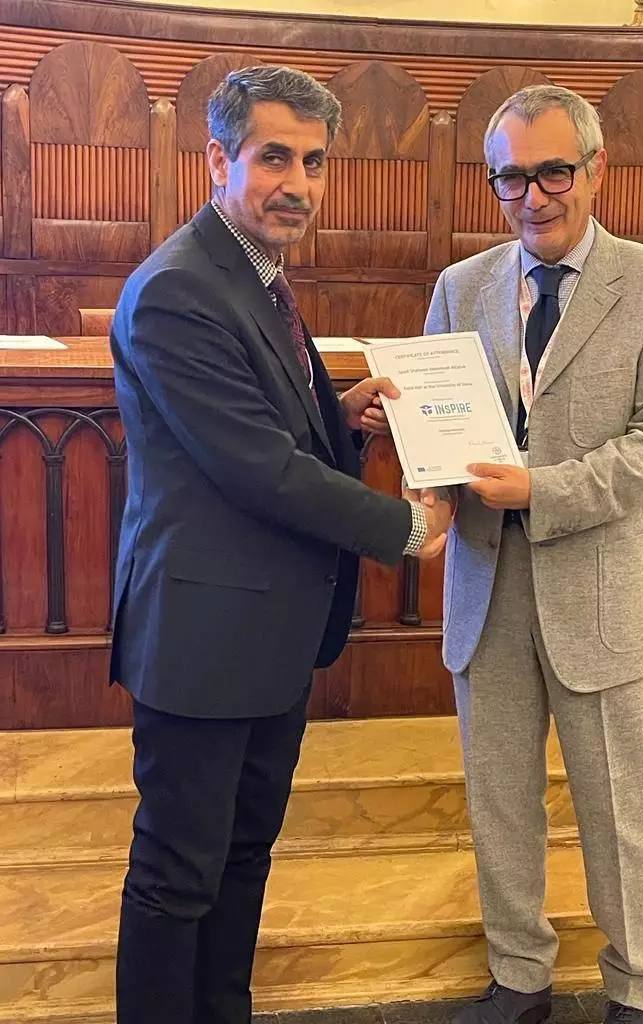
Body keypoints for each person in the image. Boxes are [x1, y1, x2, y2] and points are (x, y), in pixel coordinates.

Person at [109, 64, 452, 1024]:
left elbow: (263, 429)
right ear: (217, 160)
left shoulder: (254, 273)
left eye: (313, 162)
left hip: (267, 637)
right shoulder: (179, 288)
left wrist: (340, 415)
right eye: (273, 158)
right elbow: (257, 469)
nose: (297, 183)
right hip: (202, 639)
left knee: (244, 854)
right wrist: (408, 526)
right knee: (179, 872)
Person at [424, 85, 643, 1024]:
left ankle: (639, 986)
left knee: (620, 807)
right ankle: (519, 979)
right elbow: (437, 432)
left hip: (598, 589)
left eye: (553, 172)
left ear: (595, 171)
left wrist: (543, 490)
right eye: (511, 177)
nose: (532, 196)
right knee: (500, 801)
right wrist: (421, 481)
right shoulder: (460, 287)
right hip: (486, 584)